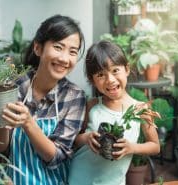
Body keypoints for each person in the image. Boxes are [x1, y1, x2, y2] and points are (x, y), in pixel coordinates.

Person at [0, 15, 86, 185]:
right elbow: (0, 149)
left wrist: (28, 123)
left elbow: (56, 157)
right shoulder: (14, 86)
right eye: (58, 47)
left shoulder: (74, 96)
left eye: (72, 51)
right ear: (38, 48)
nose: (64, 58)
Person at [68, 40, 160, 185]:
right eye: (100, 75)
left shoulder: (141, 109)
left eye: (115, 70)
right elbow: (72, 140)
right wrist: (86, 138)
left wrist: (131, 148)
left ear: (127, 69)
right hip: (79, 178)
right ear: (92, 81)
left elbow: (155, 146)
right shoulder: (92, 105)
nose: (110, 80)